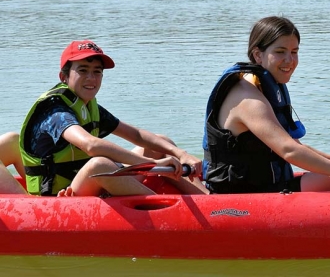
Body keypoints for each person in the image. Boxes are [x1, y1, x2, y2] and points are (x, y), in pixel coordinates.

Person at [203, 16, 330, 194]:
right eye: (280, 51)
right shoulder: (246, 97)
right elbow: (289, 151)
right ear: (258, 55)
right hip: (242, 197)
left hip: (268, 186)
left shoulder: (265, 88)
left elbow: (295, 145)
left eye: (294, 52)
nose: (289, 60)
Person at [19, 40, 208, 197]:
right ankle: (165, 213)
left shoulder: (87, 106)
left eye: (97, 71)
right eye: (83, 70)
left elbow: (137, 134)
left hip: (86, 184)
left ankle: (209, 203)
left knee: (161, 143)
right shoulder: (55, 112)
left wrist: (181, 153)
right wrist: (153, 165)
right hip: (61, 197)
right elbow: (91, 145)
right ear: (64, 77)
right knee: (99, 165)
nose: (91, 78)